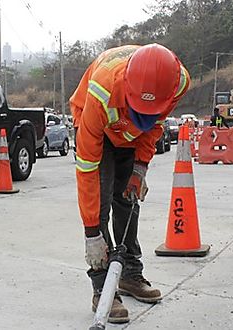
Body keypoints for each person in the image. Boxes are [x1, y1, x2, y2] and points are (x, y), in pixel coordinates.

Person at [69, 43, 190, 323]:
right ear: (128, 88)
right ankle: (103, 287)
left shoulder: (177, 81)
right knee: (100, 204)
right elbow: (86, 169)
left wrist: (140, 168)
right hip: (97, 125)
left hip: (131, 133)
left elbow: (155, 125)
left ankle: (130, 273)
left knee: (127, 198)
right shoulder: (101, 93)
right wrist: (91, 234)